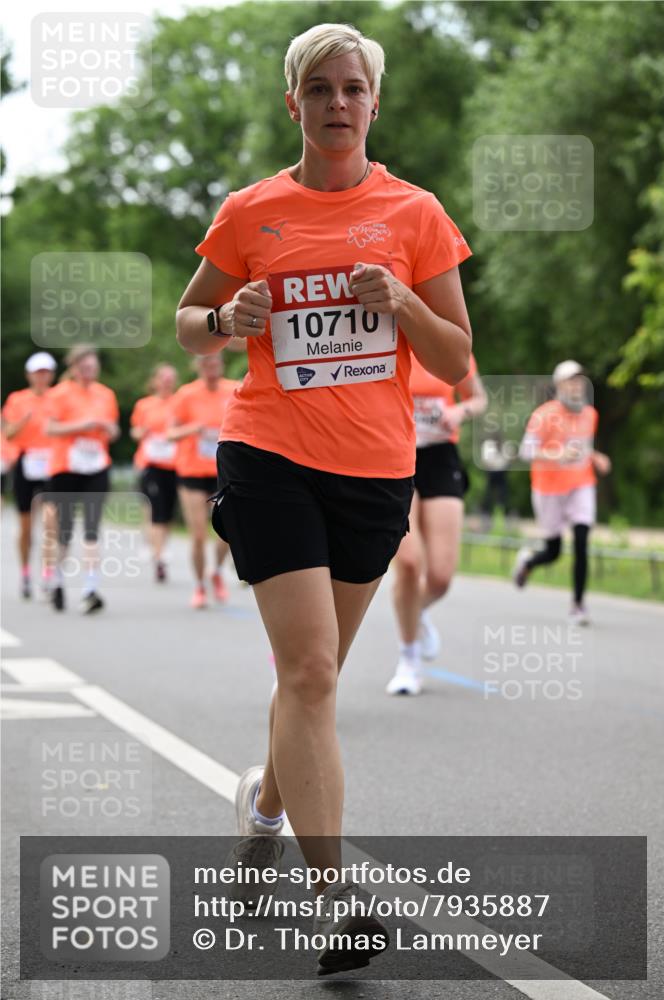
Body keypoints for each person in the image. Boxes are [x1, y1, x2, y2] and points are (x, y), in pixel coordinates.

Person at [175, 22, 472, 975]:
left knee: (317, 677)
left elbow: (455, 358)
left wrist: (403, 303)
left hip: (376, 470)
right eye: (319, 89)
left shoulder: (415, 213)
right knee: (306, 674)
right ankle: (337, 903)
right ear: (292, 103)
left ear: (373, 104)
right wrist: (227, 317)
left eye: (352, 89)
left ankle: (264, 806)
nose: (336, 104)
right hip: (268, 454)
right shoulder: (251, 212)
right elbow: (189, 324)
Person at [386, 354, 487, 695]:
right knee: (410, 563)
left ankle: (414, 611)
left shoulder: (444, 340)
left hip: (441, 456)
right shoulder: (386, 335)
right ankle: (408, 659)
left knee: (441, 577)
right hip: (396, 454)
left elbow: (478, 397)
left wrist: (460, 411)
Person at [513, 360, 612, 624]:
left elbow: (581, 447)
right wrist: (557, 454)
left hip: (581, 484)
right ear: (559, 385)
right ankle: (528, 563)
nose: (576, 385)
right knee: (553, 551)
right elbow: (525, 452)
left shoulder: (590, 414)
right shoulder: (543, 415)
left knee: (582, 540)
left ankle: (578, 605)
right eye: (571, 380)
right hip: (549, 489)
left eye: (580, 380)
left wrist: (596, 456)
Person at [46, 345, 120, 613]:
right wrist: (82, 425)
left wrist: (109, 429)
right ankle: (57, 580)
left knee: (92, 526)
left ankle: (90, 588)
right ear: (75, 368)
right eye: (84, 367)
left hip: (96, 465)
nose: (89, 371)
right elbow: (50, 428)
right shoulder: (60, 393)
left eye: (93, 367)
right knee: (64, 529)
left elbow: (113, 429)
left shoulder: (106, 394)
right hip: (66, 467)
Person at [168, 354, 238, 608]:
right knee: (198, 534)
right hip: (192, 471)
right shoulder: (186, 395)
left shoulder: (233, 390)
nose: (212, 369)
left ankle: (216, 572)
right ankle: (199, 587)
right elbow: (170, 433)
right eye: (206, 365)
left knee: (229, 531)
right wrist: (193, 429)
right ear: (198, 367)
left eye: (216, 364)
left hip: (223, 471)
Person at [1, 352, 58, 598]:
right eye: (37, 373)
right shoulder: (17, 400)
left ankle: (47, 573)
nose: (42, 377)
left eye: (46, 372)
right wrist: (23, 421)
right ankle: (25, 572)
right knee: (26, 527)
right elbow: (9, 434)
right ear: (29, 375)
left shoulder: (58, 399)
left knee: (50, 523)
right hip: (27, 462)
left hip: (52, 462)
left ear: (52, 375)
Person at [130, 364, 179, 582]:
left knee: (166, 512)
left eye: (171, 378)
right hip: (150, 463)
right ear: (156, 380)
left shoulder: (179, 403)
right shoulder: (145, 405)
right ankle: (159, 559)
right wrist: (142, 432)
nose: (167, 382)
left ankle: (159, 547)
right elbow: (134, 431)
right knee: (154, 509)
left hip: (174, 463)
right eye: (164, 378)